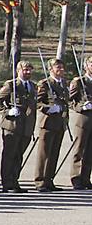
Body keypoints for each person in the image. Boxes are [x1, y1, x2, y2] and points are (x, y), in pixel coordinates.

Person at [0, 61, 37, 193]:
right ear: (18, 70)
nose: (28, 72)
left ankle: (14, 181)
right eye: (25, 70)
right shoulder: (11, 85)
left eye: (30, 70)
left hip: (26, 127)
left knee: (19, 155)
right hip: (12, 125)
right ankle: (6, 183)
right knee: (9, 154)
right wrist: (7, 111)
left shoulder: (33, 86)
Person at [33, 58, 70, 192]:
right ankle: (40, 181)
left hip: (60, 122)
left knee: (54, 153)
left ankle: (49, 180)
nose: (60, 70)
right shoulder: (45, 84)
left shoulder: (63, 83)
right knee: (44, 153)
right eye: (57, 67)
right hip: (48, 122)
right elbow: (37, 102)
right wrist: (48, 108)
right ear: (50, 69)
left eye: (61, 67)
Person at [69, 55, 92, 189]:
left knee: (90, 151)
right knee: (79, 149)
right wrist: (81, 106)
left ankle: (85, 177)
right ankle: (76, 177)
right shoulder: (79, 81)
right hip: (83, 118)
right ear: (86, 66)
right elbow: (71, 100)